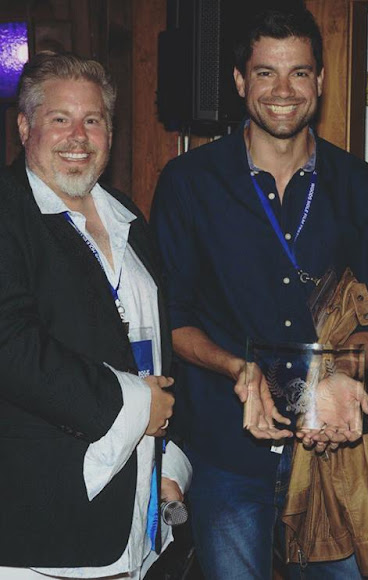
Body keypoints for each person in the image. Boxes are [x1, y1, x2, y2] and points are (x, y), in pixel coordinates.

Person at [150, 8, 368, 579]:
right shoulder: (189, 183)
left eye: (299, 73)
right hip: (228, 451)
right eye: (265, 73)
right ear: (239, 81)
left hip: (332, 450)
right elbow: (174, 318)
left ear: (321, 81)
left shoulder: (358, 185)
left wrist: (343, 375)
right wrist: (240, 369)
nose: (283, 91)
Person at [0, 51, 191, 578]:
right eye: (59, 119)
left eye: (93, 120)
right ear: (24, 127)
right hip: (43, 518)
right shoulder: (8, 212)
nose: (78, 136)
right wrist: (136, 402)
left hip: (133, 503)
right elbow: (11, 348)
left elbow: (158, 346)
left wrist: (167, 456)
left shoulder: (128, 216)